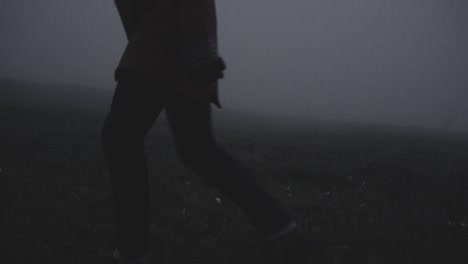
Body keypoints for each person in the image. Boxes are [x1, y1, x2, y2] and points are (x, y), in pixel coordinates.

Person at [101, 1, 324, 263]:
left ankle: (132, 249)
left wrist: (197, 48)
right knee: (197, 150)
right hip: (169, 46)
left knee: (123, 138)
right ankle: (283, 231)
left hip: (162, 47)